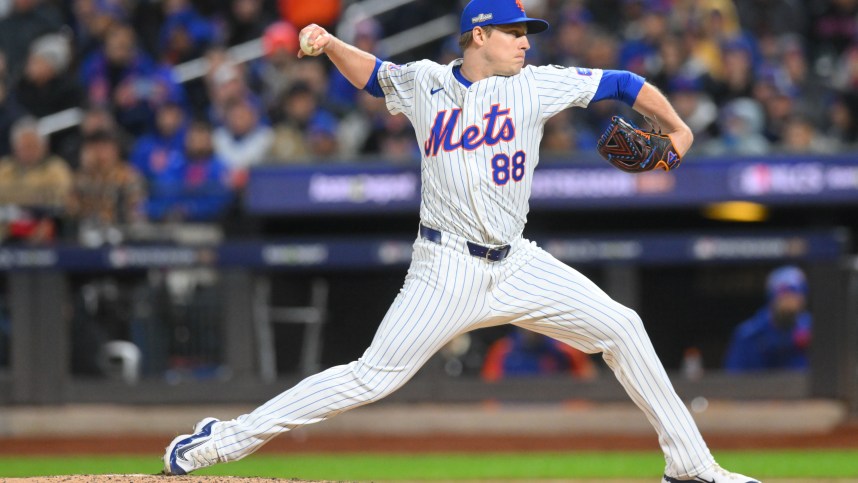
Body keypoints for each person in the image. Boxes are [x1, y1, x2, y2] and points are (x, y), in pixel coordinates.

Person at [163, 2, 760, 482]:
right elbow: (373, 76)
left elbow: (625, 82)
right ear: (478, 35)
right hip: (444, 266)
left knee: (623, 328)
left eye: (527, 32)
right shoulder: (425, 83)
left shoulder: (537, 84)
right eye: (512, 31)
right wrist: (328, 42)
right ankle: (225, 440)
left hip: (517, 261)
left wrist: (677, 128)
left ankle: (690, 465)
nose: (525, 41)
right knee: (372, 376)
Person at [725, 266, 811, 373]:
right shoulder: (748, 334)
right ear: (772, 296)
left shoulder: (812, 330)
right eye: (786, 293)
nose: (790, 300)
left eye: (796, 293)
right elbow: (732, 380)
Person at [481, 326, 596, 381]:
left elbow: (589, 384)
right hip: (513, 412)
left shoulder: (566, 349)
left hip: (558, 414)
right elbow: (489, 392)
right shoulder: (503, 349)